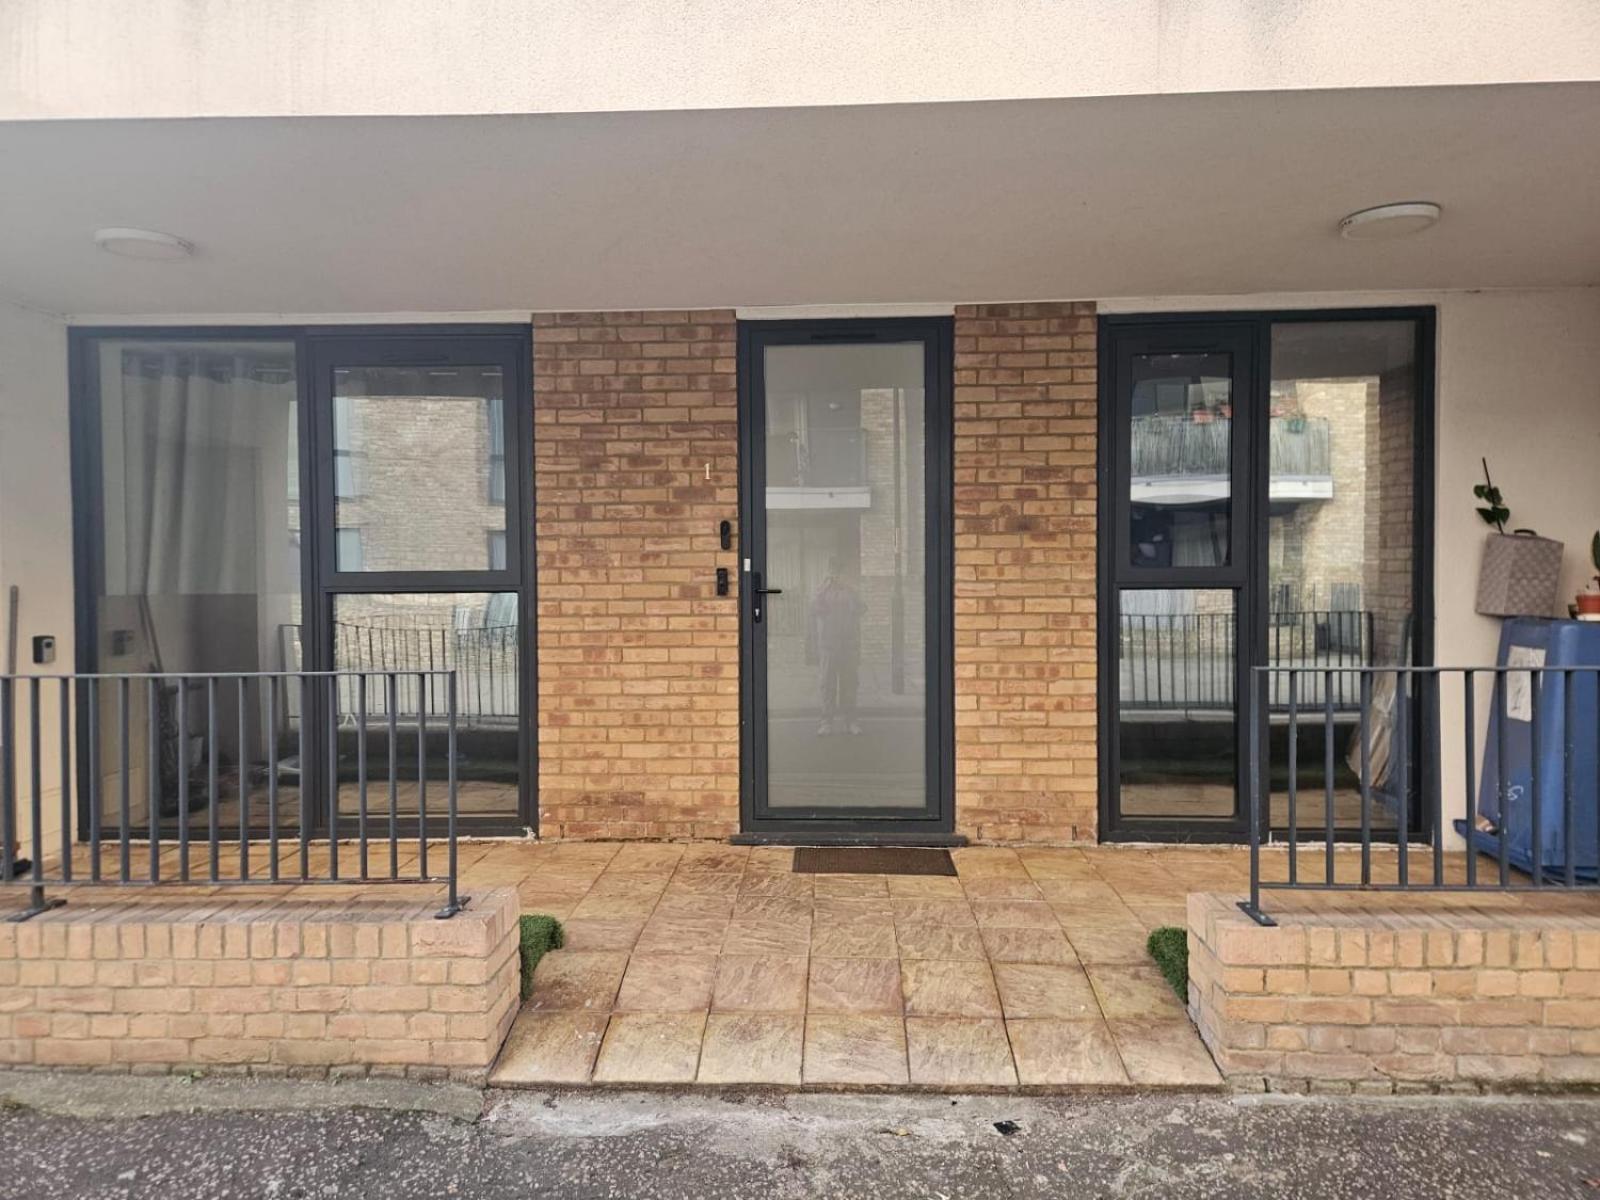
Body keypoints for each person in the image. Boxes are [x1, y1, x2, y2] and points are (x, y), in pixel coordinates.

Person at [811, 556, 864, 735]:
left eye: (839, 571)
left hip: (848, 643)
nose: (836, 574)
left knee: (849, 683)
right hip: (828, 644)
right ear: (829, 571)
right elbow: (815, 609)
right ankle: (826, 722)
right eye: (833, 570)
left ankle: (851, 722)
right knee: (828, 684)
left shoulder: (851, 590)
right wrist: (824, 589)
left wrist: (849, 589)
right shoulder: (822, 590)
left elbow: (862, 608)